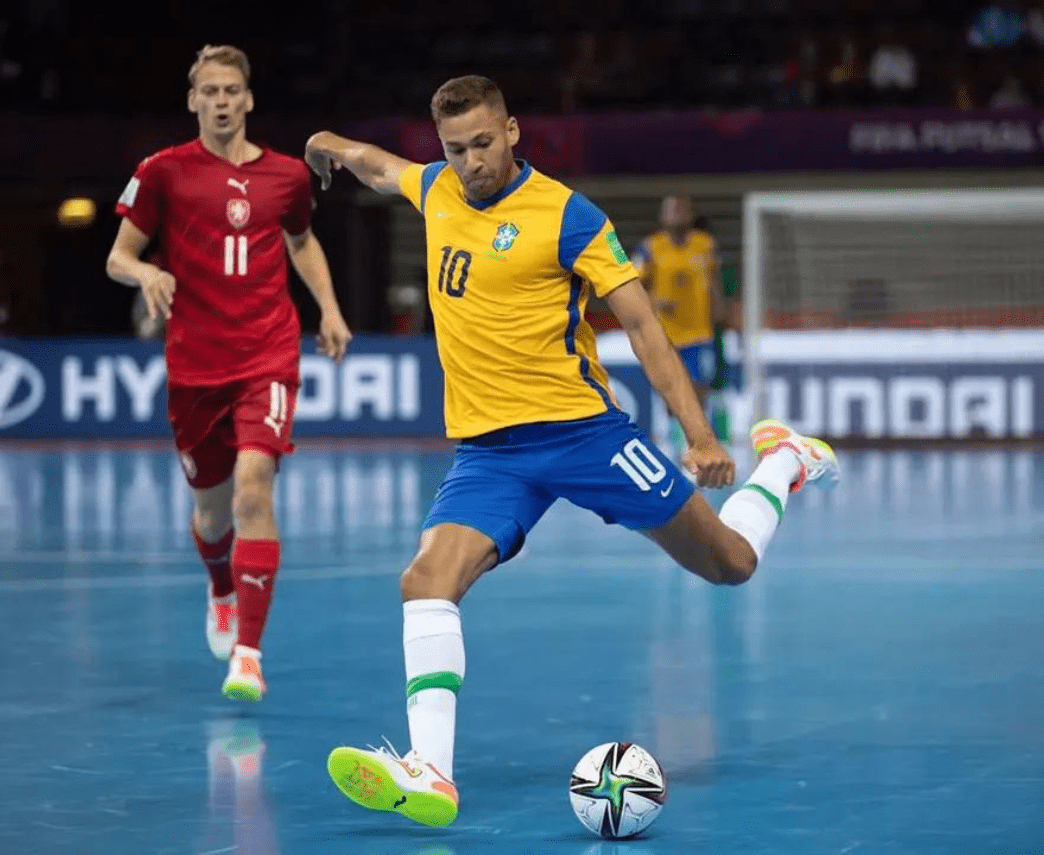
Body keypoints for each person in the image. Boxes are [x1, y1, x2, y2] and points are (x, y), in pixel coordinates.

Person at [304, 74, 838, 829]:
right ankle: (432, 774)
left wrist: (702, 435)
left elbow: (646, 328)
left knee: (730, 563)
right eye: (456, 149)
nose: (471, 162)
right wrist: (323, 145)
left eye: (484, 143)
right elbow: (376, 163)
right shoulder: (437, 189)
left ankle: (783, 458)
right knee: (425, 580)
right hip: (490, 453)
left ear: (513, 131)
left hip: (585, 434)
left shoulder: (568, 215)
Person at [105, 45, 352, 703]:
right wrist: (148, 270)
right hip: (194, 365)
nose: (220, 101)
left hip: (268, 352)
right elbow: (117, 258)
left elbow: (301, 242)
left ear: (248, 99)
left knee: (253, 488)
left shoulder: (288, 177)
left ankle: (248, 653)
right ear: (193, 101)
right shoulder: (162, 172)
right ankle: (219, 586)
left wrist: (327, 308)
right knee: (212, 514)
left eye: (231, 90)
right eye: (208, 90)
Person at [632, 197, 728, 448]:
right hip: (666, 335)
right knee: (670, 391)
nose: (674, 215)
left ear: (690, 214)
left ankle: (702, 443)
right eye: (670, 210)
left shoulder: (705, 245)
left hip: (699, 333)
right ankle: (677, 443)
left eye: (680, 209)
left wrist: (721, 310)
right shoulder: (650, 248)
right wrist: (654, 301)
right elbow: (632, 286)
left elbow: (715, 280)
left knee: (699, 390)